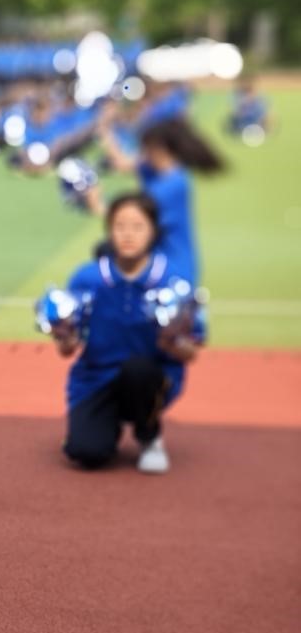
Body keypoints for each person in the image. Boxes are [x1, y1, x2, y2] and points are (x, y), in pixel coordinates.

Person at [55, 193, 199, 474]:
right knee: (86, 453)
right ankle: (103, 427)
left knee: (138, 370)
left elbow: (191, 352)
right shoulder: (87, 278)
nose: (128, 235)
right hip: (97, 379)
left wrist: (171, 341)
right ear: (109, 230)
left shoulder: (173, 281)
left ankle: (149, 436)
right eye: (120, 226)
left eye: (138, 226)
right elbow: (66, 349)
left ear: (153, 231)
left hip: (150, 378)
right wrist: (64, 335)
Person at [93, 112, 223, 285]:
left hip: (173, 271)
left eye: (145, 149)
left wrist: (95, 202)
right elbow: (123, 164)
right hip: (155, 266)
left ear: (159, 149)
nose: (142, 154)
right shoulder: (155, 171)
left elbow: (129, 215)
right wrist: (106, 134)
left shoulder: (172, 186)